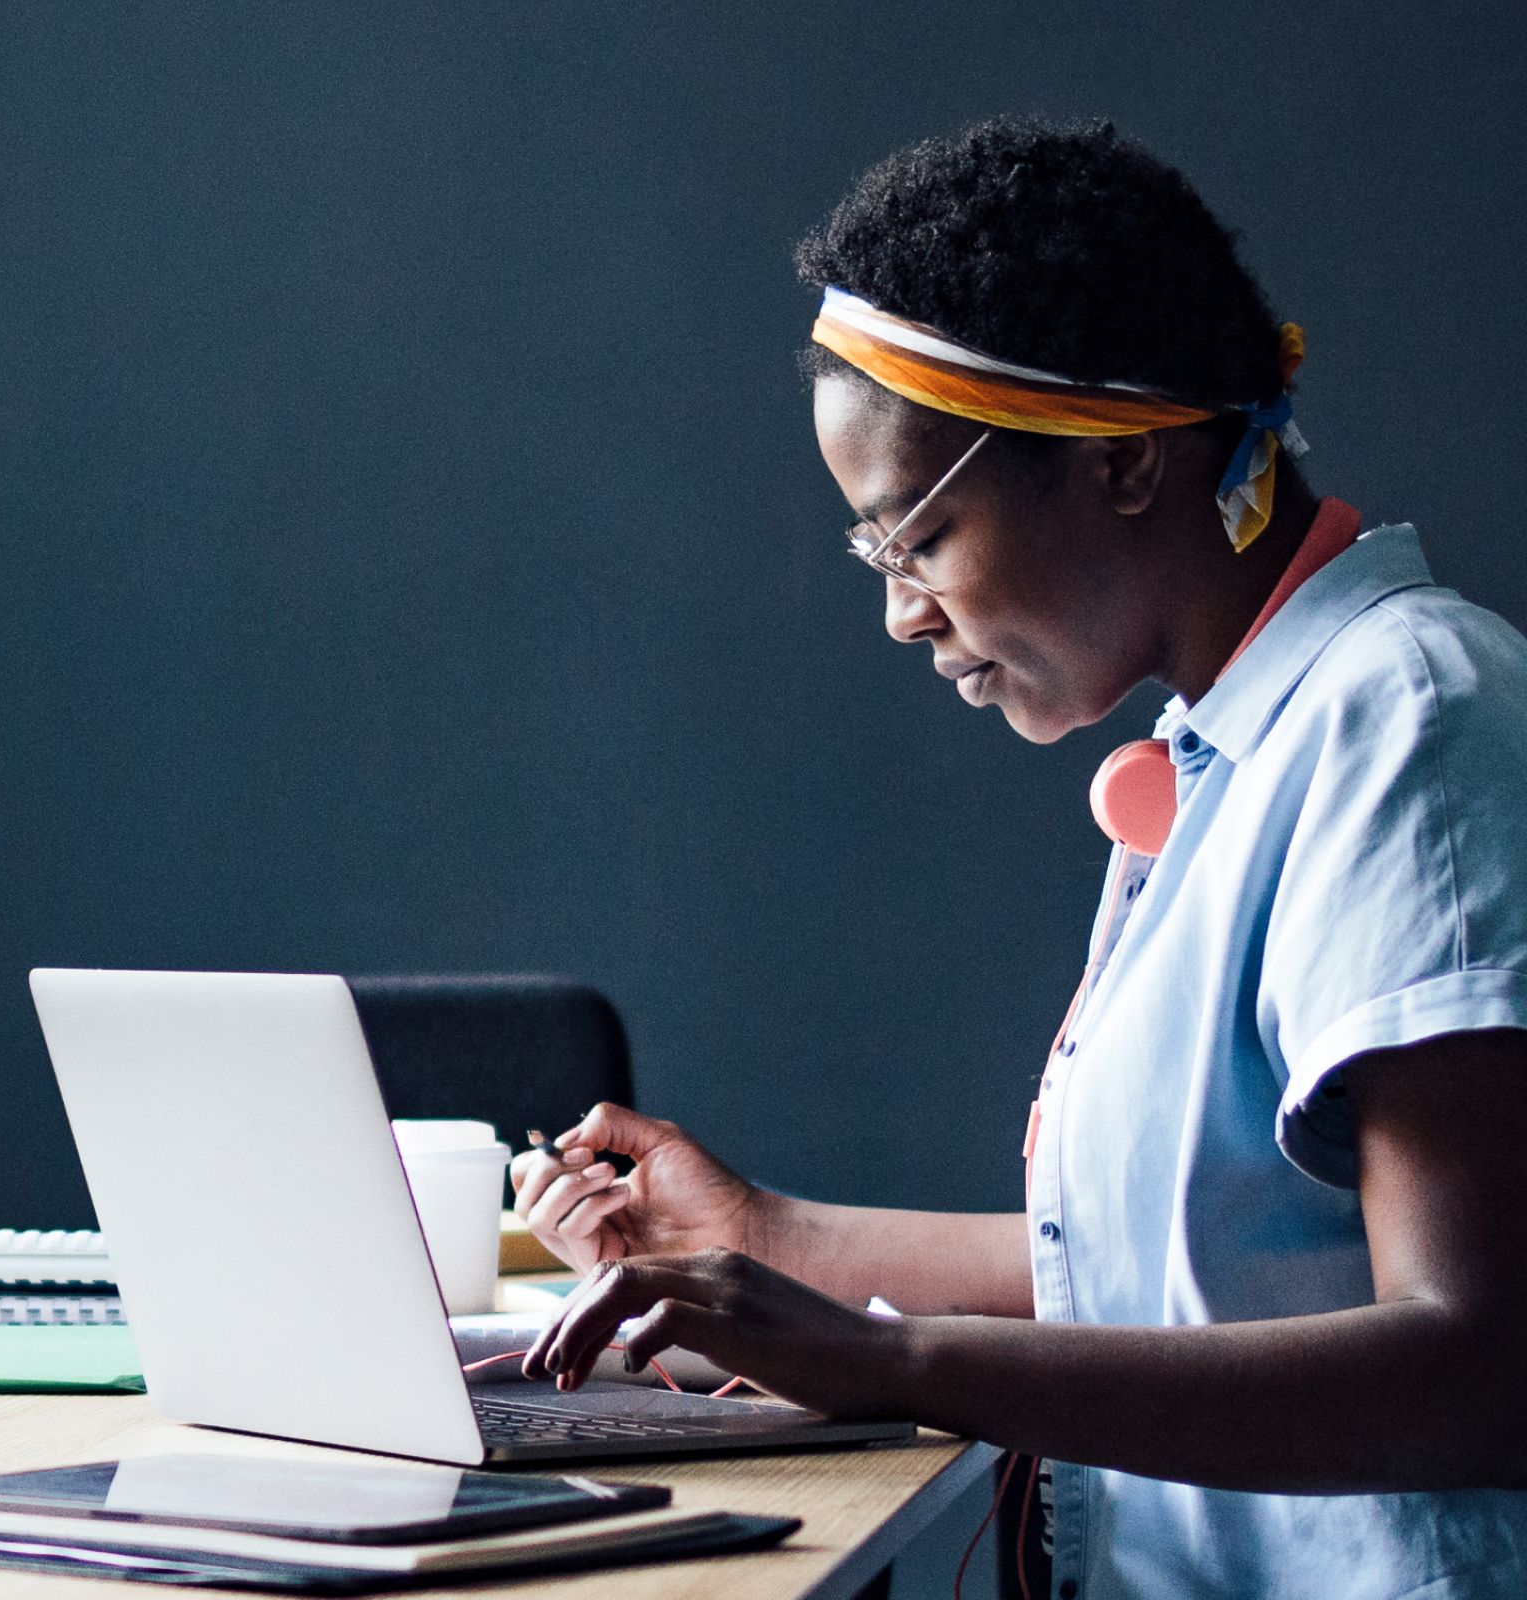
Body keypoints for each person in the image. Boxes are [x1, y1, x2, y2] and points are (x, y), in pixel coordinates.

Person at [510, 119, 1527, 1599]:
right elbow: (1181, 1273)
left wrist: (898, 1362)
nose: (902, 613)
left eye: (911, 538)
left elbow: (1482, 1370)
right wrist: (766, 1241)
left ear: (1121, 465)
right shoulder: (1238, 747)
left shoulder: (1408, 717)